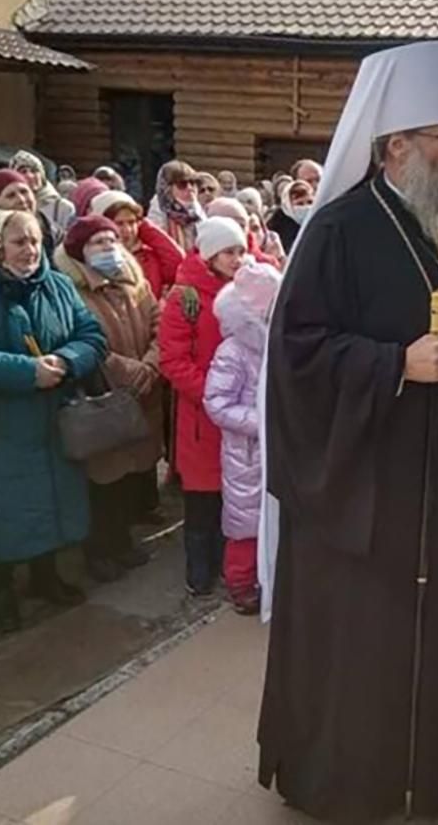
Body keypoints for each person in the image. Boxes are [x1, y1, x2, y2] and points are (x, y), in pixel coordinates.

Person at [259, 41, 438, 820]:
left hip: (435, 477)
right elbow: (297, 353)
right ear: (396, 146)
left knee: (429, 632)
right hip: (360, 490)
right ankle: (350, 779)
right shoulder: (337, 229)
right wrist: (394, 364)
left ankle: (422, 769)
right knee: (363, 641)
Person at [0, 209, 106, 634]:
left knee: (50, 498)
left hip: (53, 418)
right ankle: (0, 590)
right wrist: (27, 372)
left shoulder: (57, 285)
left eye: (35, 240)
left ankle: (45, 576)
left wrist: (66, 360)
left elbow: (92, 336)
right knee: (0, 510)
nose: (30, 250)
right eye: (18, 242)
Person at [54, 214, 161, 582]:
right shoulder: (71, 290)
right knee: (104, 478)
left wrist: (151, 364)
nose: (108, 248)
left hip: (143, 390)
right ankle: (99, 550)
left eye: (111, 240)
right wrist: (126, 370)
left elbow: (158, 322)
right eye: (97, 242)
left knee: (131, 472)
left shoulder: (134, 282)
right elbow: (82, 341)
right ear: (79, 251)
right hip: (102, 392)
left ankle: (122, 542)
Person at [160, 217, 248, 596]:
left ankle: (228, 563)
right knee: (202, 501)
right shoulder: (186, 299)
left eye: (241, 250)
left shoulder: (245, 290)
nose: (237, 259)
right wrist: (214, 396)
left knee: (234, 496)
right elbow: (173, 361)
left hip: (236, 414)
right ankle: (199, 569)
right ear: (210, 255)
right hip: (202, 418)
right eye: (229, 252)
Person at [203, 261, 282, 616]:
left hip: (278, 447)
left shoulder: (279, 345)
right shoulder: (233, 352)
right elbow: (216, 403)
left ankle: (273, 576)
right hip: (247, 454)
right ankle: (240, 582)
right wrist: (260, 422)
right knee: (245, 523)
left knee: (276, 516)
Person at [91, 189, 184, 300]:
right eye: (119, 223)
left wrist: (145, 227)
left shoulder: (148, 256)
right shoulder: (97, 260)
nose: (127, 230)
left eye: (131, 222)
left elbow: (176, 261)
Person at [12, 151, 75, 243]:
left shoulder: (64, 207)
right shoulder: (11, 204)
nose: (30, 176)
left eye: (34, 171)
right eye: (23, 171)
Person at [148, 160, 205, 251]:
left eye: (193, 182)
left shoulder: (198, 211)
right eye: (182, 184)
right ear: (168, 188)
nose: (190, 188)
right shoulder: (159, 211)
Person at [267, 178, 314, 253]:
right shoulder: (276, 225)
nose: (306, 207)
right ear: (288, 204)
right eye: (299, 204)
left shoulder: (319, 222)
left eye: (310, 202)